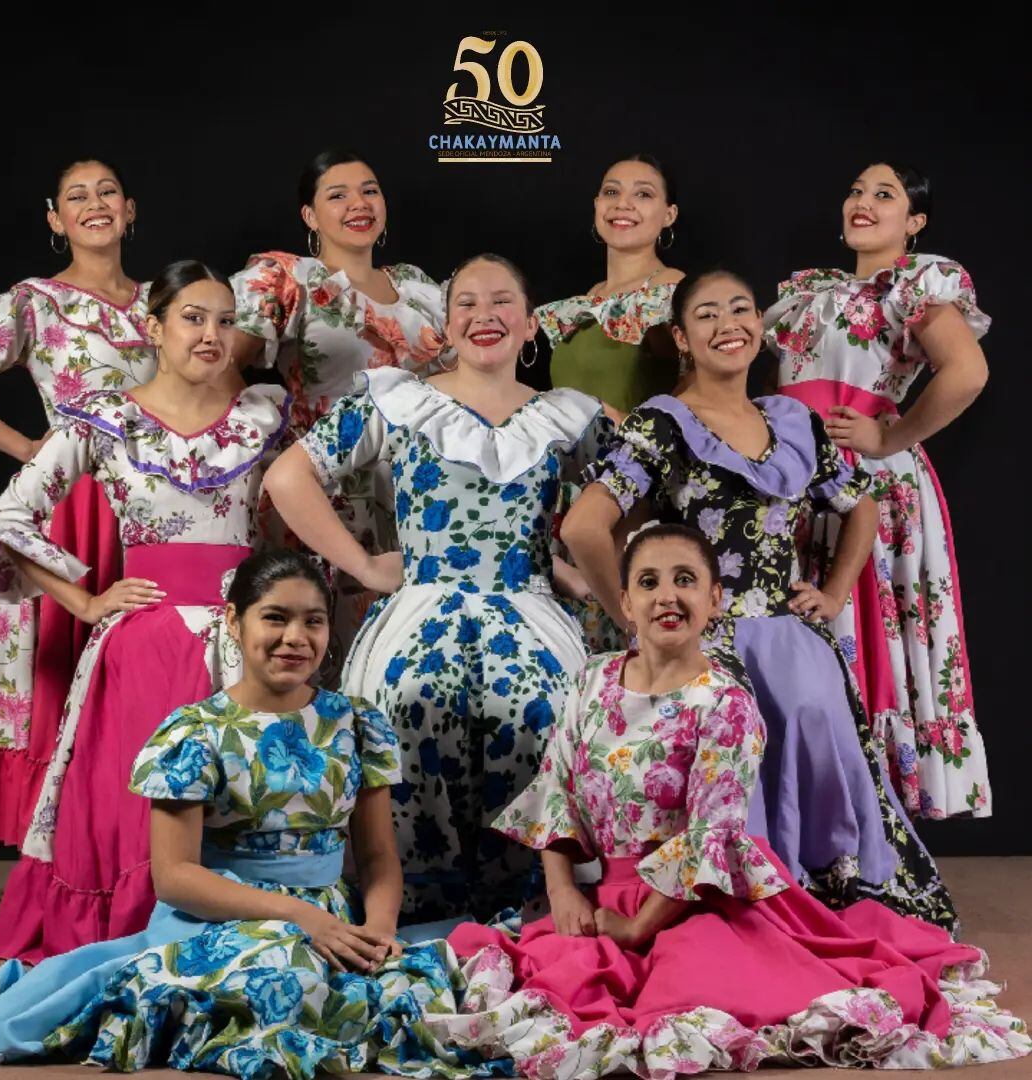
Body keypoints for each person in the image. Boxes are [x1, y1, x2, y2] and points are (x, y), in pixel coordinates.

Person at [432, 524, 1030, 1077]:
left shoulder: (725, 703)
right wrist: (563, 890)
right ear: (625, 603)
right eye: (649, 582)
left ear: (716, 599)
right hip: (601, 891)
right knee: (530, 980)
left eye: (685, 580)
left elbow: (709, 836)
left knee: (692, 1000)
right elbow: (555, 789)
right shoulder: (594, 677)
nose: (667, 596)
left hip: (695, 902)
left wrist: (636, 929)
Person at [0, 550, 477, 1076]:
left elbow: (379, 855)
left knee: (398, 984)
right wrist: (298, 916)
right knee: (278, 977)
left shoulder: (357, 725)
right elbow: (175, 877)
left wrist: (381, 929)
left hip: (329, 916)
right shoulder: (195, 732)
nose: (296, 637)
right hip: (218, 916)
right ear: (233, 620)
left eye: (312, 621)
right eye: (275, 617)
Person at [562, 269, 956, 931]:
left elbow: (860, 509)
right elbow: (582, 526)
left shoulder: (793, 420)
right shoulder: (665, 423)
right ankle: (736, 908)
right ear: (682, 338)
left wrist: (831, 594)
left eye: (741, 310)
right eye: (709, 315)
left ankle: (817, 894)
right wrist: (633, 617)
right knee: (730, 752)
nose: (729, 325)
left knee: (812, 712)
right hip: (704, 643)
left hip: (792, 636)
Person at [0, 262, 291, 962]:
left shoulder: (261, 417)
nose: (212, 334)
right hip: (143, 646)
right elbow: (13, 516)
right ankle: (134, 937)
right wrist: (83, 598)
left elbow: (302, 518)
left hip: (244, 646)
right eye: (193, 318)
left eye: (225, 321)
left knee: (239, 803)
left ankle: (238, 931)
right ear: (154, 326)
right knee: (133, 809)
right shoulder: (109, 419)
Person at [264, 253, 610, 924]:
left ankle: (540, 902)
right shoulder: (399, 400)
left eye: (502, 302)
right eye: (467, 305)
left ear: (532, 325)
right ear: (446, 327)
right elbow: (287, 479)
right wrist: (364, 567)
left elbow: (633, 496)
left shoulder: (568, 416)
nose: (485, 316)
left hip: (530, 612)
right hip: (420, 609)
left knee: (549, 709)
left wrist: (579, 568)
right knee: (401, 704)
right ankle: (409, 906)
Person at [765, 161, 991, 820]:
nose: (863, 202)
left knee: (856, 637)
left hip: (863, 484)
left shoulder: (912, 286)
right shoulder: (810, 293)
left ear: (913, 223)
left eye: (884, 195)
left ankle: (869, 821)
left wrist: (890, 439)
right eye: (857, 191)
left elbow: (967, 372)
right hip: (793, 484)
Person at [0, 158, 155, 847]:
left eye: (107, 192)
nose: (95, 204)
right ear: (55, 219)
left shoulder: (165, 302)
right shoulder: (33, 301)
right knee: (60, 666)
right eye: (77, 196)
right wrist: (27, 451)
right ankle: (57, 844)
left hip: (151, 506)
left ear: (130, 209)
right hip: (69, 506)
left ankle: (128, 832)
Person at [230, 149, 451, 666]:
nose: (359, 203)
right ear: (310, 215)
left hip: (413, 492)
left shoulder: (422, 291)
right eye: (338, 194)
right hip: (323, 493)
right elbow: (220, 369)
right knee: (321, 652)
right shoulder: (292, 278)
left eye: (369, 190)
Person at [537, 152, 683, 423]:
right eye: (611, 191)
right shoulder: (591, 297)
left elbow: (703, 397)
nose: (623, 203)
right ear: (596, 205)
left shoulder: (674, 290)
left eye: (643, 194)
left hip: (633, 461)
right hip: (570, 460)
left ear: (669, 214)